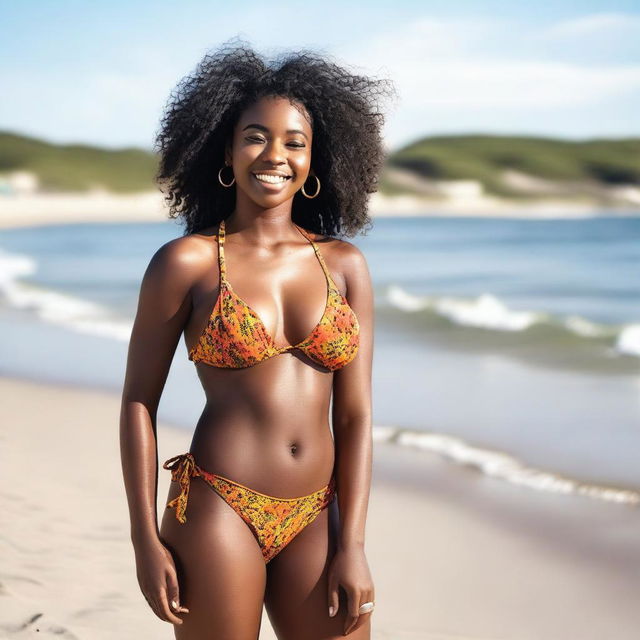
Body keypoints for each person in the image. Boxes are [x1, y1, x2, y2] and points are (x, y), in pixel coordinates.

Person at [120, 39, 395, 639]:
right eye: (255, 136)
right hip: (219, 504)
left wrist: (353, 544)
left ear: (317, 158)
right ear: (225, 149)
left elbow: (355, 417)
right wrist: (145, 540)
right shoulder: (186, 263)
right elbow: (139, 402)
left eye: (295, 141)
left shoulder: (344, 265)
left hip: (319, 514)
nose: (275, 155)